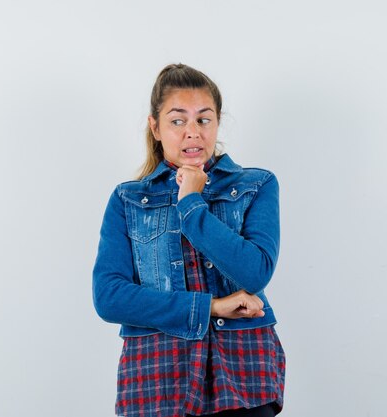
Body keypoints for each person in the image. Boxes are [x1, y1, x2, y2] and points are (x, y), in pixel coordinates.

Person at [93, 63, 285, 417]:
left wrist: (191, 203)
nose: (192, 133)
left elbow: (255, 272)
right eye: (178, 120)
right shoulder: (128, 199)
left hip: (243, 376)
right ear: (156, 127)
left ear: (217, 122)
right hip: (157, 378)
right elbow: (108, 297)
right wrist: (209, 307)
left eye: (204, 119)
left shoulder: (256, 185)